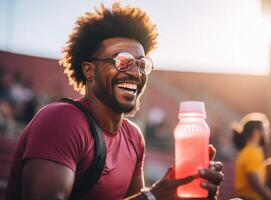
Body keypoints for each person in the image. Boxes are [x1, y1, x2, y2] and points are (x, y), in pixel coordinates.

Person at [6, 3, 224, 200]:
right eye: (123, 61)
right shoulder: (62, 120)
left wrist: (179, 192)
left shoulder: (133, 137)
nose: (136, 73)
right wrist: (152, 198)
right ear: (89, 71)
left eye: (141, 64)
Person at [232, 113, 271, 200]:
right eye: (266, 129)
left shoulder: (250, 151)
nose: (269, 132)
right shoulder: (252, 152)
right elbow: (257, 185)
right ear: (257, 132)